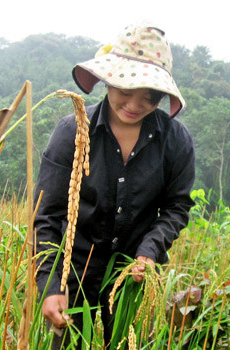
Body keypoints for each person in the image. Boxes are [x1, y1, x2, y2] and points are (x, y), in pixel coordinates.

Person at [34, 25, 195, 348]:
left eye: (149, 97)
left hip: (131, 275)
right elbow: (47, 215)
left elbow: (176, 208)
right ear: (109, 80)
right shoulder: (72, 133)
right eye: (126, 90)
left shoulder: (175, 141)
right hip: (74, 273)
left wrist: (149, 252)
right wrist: (51, 286)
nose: (135, 104)